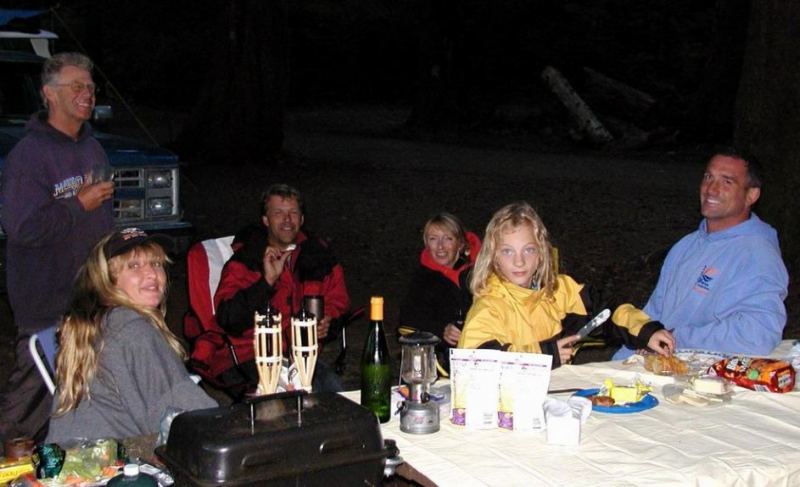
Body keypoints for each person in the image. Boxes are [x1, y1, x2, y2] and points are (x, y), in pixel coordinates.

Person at [0, 52, 114, 443]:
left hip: (88, 299)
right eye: (76, 86)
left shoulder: (92, 149)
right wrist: (77, 204)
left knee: (80, 400)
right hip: (45, 302)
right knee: (29, 406)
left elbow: (100, 224)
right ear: (49, 93)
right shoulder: (28, 157)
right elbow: (21, 228)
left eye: (91, 87)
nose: (87, 94)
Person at [613, 150, 789, 359]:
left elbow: (757, 334)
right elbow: (652, 315)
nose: (711, 189)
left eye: (727, 182)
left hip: (700, 374)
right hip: (652, 365)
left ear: (751, 195)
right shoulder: (686, 246)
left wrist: (675, 339)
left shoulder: (757, 255)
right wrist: (635, 344)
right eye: (708, 177)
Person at [47, 228, 217, 443]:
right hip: (112, 465)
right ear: (108, 280)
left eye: (156, 264)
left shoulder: (97, 321)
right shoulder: (133, 330)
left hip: (72, 458)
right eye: (134, 266)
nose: (152, 274)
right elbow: (190, 415)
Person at [458, 202, 674, 368]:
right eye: (508, 251)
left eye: (528, 250)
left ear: (541, 253)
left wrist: (645, 331)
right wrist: (543, 355)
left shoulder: (557, 291)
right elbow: (473, 362)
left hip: (558, 397)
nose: (519, 261)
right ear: (494, 257)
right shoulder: (490, 306)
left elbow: (607, 310)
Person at [213, 184, 350, 392]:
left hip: (301, 357)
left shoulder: (320, 257)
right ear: (266, 220)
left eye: (293, 213)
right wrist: (266, 282)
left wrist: (329, 321)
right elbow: (229, 319)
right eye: (278, 213)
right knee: (286, 404)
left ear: (302, 219)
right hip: (250, 356)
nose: (287, 220)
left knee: (335, 394)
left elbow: (338, 302)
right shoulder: (246, 260)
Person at [399, 212, 481, 372]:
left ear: (460, 244)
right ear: (426, 244)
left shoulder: (481, 273)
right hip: (443, 359)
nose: (440, 246)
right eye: (433, 239)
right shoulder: (422, 279)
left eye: (448, 239)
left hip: (483, 351)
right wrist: (441, 330)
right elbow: (407, 322)